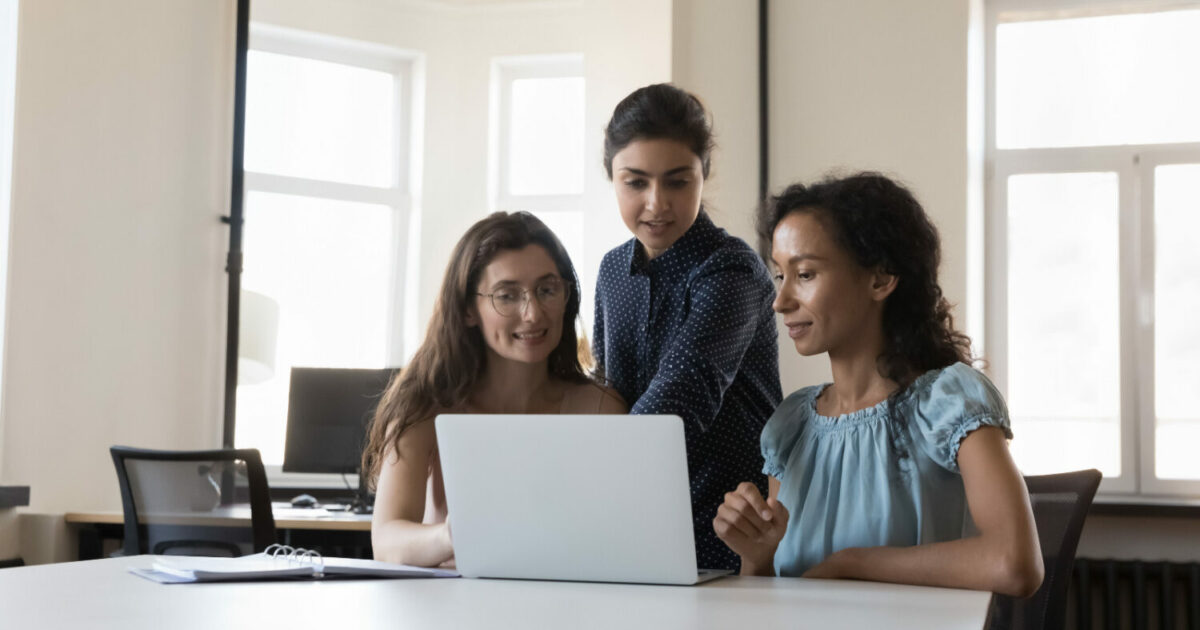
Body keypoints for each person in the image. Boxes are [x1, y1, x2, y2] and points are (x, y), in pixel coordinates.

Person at [712, 172, 1043, 596]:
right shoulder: (790, 426)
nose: (780, 301)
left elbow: (1014, 564)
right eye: (780, 275)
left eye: (806, 274)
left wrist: (852, 563)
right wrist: (757, 559)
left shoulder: (951, 402)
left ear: (881, 279)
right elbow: (772, 609)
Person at [362, 211, 626, 567]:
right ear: (468, 309)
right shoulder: (424, 405)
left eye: (547, 290)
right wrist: (451, 535)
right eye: (507, 296)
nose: (532, 313)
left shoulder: (601, 408)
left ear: (566, 296)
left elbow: (616, 538)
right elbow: (386, 543)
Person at [593, 83, 782, 571]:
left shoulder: (733, 271)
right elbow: (605, 395)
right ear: (611, 177)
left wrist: (583, 480)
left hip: (730, 539)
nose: (656, 203)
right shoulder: (612, 270)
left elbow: (677, 402)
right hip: (631, 531)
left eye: (677, 182)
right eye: (635, 182)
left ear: (704, 174)